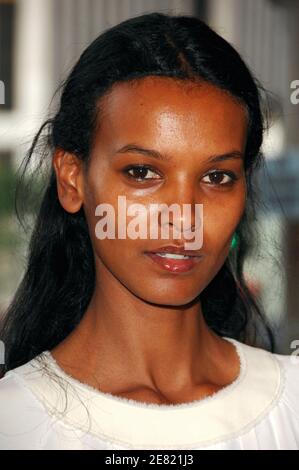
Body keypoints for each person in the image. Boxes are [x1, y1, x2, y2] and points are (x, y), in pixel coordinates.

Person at [0, 12, 298, 450]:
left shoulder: (291, 403)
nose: (184, 217)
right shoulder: (12, 423)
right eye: (142, 172)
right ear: (72, 179)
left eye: (217, 177)